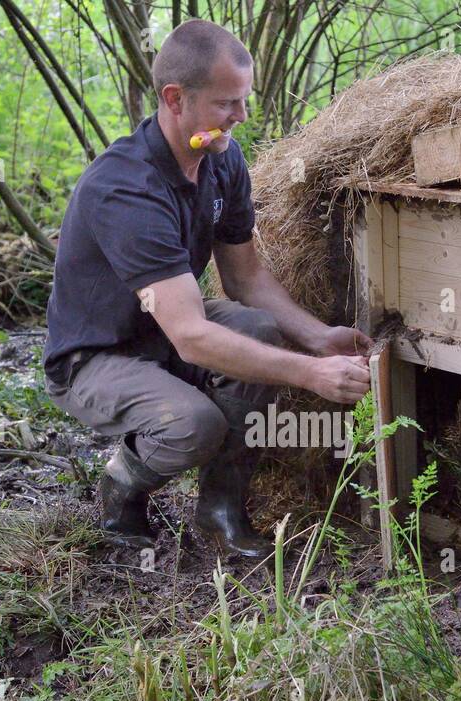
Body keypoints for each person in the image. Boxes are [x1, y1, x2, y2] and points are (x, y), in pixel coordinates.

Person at [43, 19, 372, 558]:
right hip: (96, 355)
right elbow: (193, 337)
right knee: (195, 425)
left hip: (165, 330)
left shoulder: (220, 160)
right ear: (175, 99)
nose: (240, 117)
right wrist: (311, 375)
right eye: (227, 104)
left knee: (260, 328)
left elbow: (246, 278)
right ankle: (122, 484)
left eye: (243, 100)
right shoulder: (126, 189)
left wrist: (318, 339)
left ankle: (222, 509)